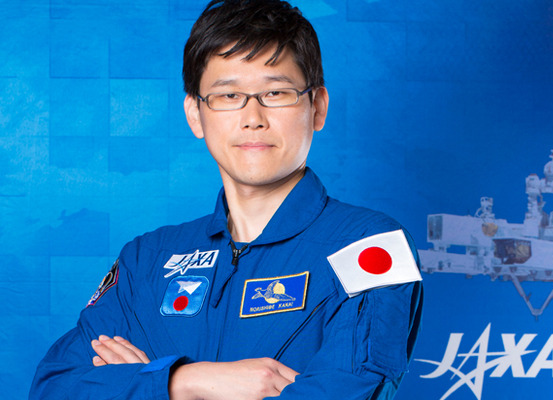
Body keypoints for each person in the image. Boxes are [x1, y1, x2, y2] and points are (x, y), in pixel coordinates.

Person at [30, 0, 423, 399]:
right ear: (195, 114)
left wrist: (135, 386)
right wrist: (184, 381)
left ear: (317, 106)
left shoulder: (369, 247)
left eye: (276, 92)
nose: (253, 117)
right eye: (229, 95)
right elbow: (55, 387)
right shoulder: (146, 260)